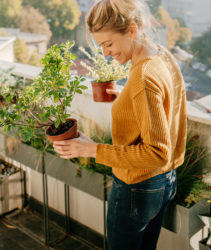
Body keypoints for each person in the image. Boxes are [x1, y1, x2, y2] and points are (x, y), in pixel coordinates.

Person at [52, 0, 187, 249]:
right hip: (165, 181)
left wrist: (91, 150)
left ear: (132, 30)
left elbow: (157, 152)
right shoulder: (161, 55)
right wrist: (125, 98)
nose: (105, 52)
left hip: (138, 186)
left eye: (108, 43)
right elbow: (167, 106)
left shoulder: (143, 78)